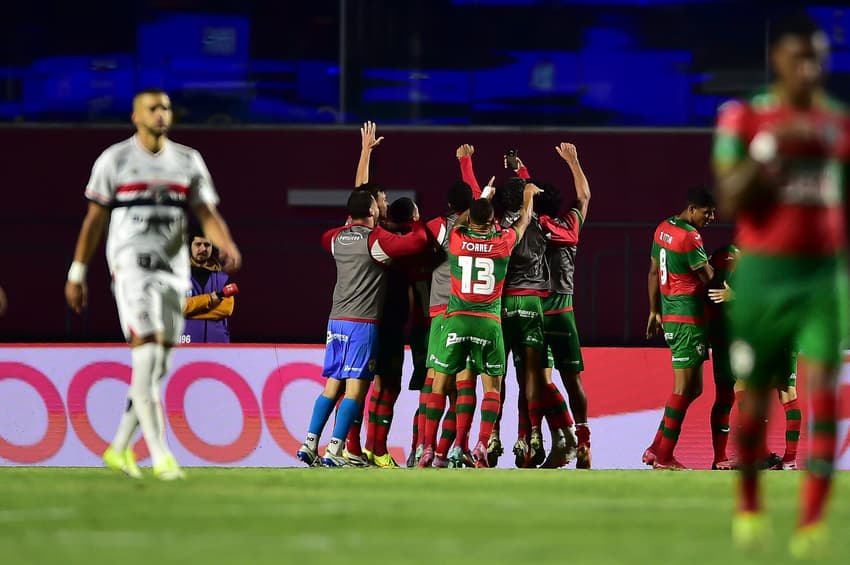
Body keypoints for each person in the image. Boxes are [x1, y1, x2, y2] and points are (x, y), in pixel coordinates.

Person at [713, 13, 848, 557]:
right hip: (763, 279)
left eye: (817, 59)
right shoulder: (745, 119)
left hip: (822, 279)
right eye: (799, 59)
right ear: (779, 61)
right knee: (752, 397)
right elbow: (730, 197)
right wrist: (771, 149)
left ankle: (812, 523)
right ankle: (750, 507)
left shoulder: (838, 124)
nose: (809, 69)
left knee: (825, 394)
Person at [64, 88, 242, 481]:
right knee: (146, 353)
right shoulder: (115, 160)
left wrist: (226, 242)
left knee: (158, 364)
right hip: (131, 269)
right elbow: (94, 220)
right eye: (152, 108)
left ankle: (118, 447)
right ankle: (161, 455)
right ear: (136, 116)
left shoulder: (187, 160)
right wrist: (77, 272)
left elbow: (206, 212)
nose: (161, 113)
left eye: (166, 107)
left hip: (173, 273)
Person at [296, 190, 428, 467]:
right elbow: (417, 243)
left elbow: (326, 237)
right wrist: (416, 221)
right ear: (371, 212)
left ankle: (309, 443)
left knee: (332, 386)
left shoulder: (336, 238)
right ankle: (335, 450)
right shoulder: (375, 240)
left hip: (335, 321)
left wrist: (348, 225)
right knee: (355, 391)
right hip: (362, 323)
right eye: (376, 207)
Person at [421, 182, 543, 468]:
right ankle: (481, 445)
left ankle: (428, 449)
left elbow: (460, 223)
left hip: (457, 321)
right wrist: (527, 195)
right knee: (492, 388)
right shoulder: (503, 242)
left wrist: (483, 197)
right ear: (491, 221)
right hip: (488, 323)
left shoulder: (456, 238)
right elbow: (524, 221)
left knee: (439, 385)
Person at [643, 186, 716, 470]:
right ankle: (664, 457)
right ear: (692, 209)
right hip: (686, 317)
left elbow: (653, 271)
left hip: (672, 315)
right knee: (683, 389)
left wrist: (654, 310)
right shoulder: (690, 236)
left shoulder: (663, 228)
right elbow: (709, 277)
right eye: (707, 213)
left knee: (693, 389)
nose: (711, 218)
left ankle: (655, 448)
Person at [535, 142, 591, 468]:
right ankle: (583, 442)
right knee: (573, 382)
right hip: (565, 313)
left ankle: (564, 433)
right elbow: (583, 196)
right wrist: (574, 161)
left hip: (538, 314)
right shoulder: (570, 224)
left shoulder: (529, 227)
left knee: (541, 383)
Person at [182, 234, 239, 343]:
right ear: (190, 246)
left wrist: (190, 311)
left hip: (218, 342)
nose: (203, 248)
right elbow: (178, 306)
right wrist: (210, 299)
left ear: (212, 248)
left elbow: (227, 308)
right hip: (187, 342)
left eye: (207, 245)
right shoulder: (179, 276)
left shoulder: (223, 277)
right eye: (198, 244)